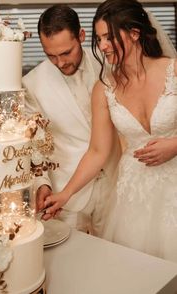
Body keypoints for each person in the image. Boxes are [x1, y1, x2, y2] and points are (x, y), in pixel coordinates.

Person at [43, 0, 177, 262]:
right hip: (135, 196)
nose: (102, 46)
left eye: (109, 37)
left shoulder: (174, 71)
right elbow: (97, 151)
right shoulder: (104, 89)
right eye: (99, 38)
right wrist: (65, 194)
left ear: (135, 33)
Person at [22, 4, 121, 236]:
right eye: (51, 56)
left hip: (117, 185)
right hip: (68, 194)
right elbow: (33, 145)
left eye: (66, 52)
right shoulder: (32, 84)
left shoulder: (110, 65)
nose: (60, 62)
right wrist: (42, 184)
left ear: (82, 36)